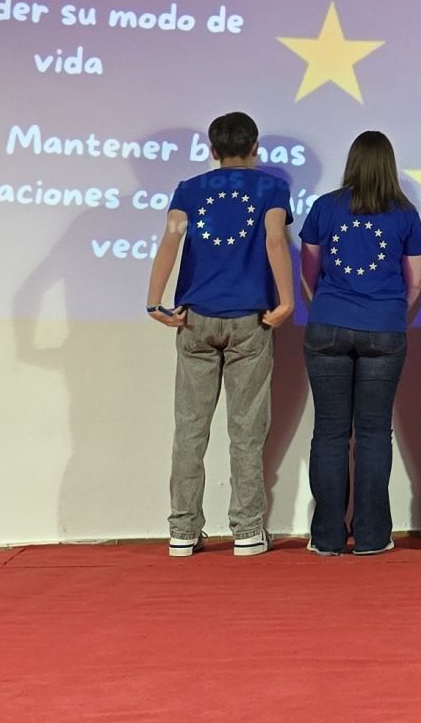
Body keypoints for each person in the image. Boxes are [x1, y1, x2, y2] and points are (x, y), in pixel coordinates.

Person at [145, 111, 295, 558]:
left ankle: (182, 530)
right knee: (246, 429)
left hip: (195, 318)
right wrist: (286, 300)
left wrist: (154, 301)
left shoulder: (189, 189)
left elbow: (170, 240)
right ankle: (247, 530)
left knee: (190, 428)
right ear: (255, 148)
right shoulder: (271, 187)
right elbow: (274, 240)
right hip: (250, 319)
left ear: (212, 150)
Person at [299, 130, 421, 555]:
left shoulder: (324, 207)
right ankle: (372, 537)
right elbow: (416, 281)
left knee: (330, 432)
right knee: (373, 432)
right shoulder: (405, 214)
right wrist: (392, 315)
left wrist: (326, 306)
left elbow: (309, 272)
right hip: (384, 328)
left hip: (327, 325)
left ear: (352, 162)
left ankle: (327, 537)